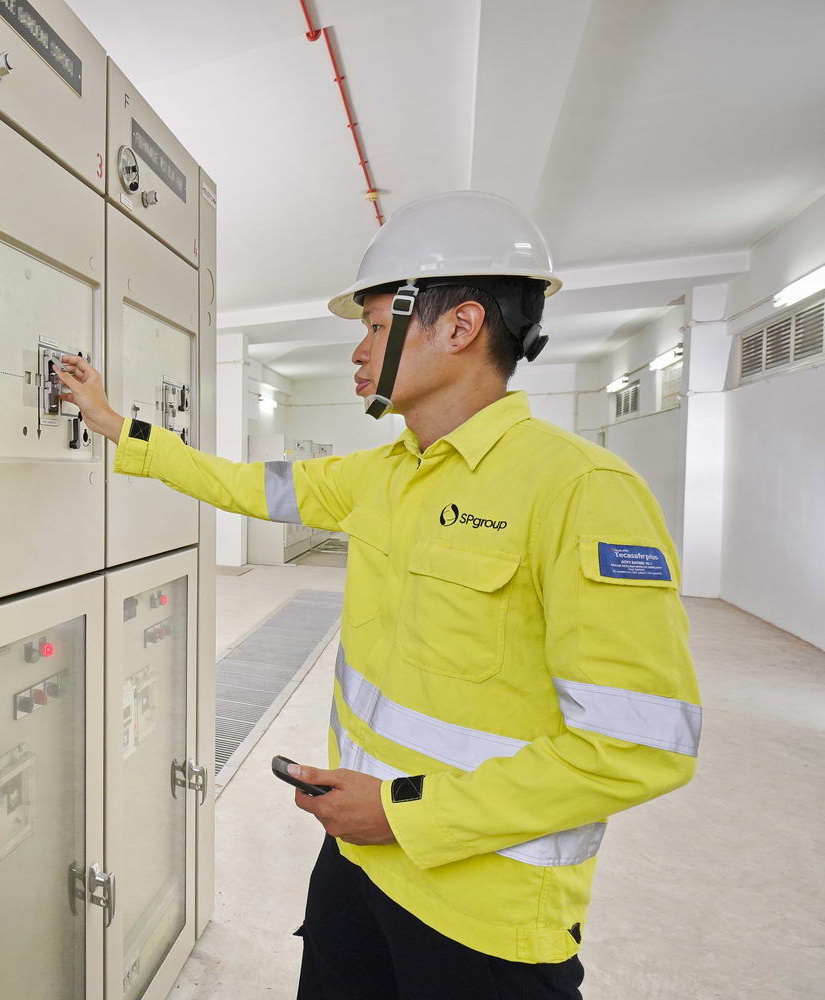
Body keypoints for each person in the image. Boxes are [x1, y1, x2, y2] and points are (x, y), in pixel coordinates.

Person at [57, 191, 701, 1000]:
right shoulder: (381, 474)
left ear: (460, 327)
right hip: (356, 861)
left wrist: (404, 814)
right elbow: (243, 484)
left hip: (483, 913)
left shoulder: (581, 489)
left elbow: (639, 745)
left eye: (372, 327)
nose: (358, 353)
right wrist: (117, 425)